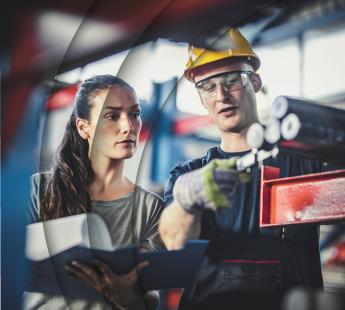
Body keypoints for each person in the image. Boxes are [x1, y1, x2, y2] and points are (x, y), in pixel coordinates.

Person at [158, 28, 324, 310]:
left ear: (255, 81)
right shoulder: (188, 174)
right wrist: (185, 200)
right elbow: (174, 242)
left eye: (232, 80)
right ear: (201, 99)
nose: (221, 95)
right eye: (208, 87)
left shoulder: (303, 161)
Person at [25, 75, 164, 310]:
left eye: (135, 114)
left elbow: (150, 298)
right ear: (83, 127)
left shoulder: (150, 208)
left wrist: (122, 295)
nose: (128, 126)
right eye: (112, 116)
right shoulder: (40, 189)